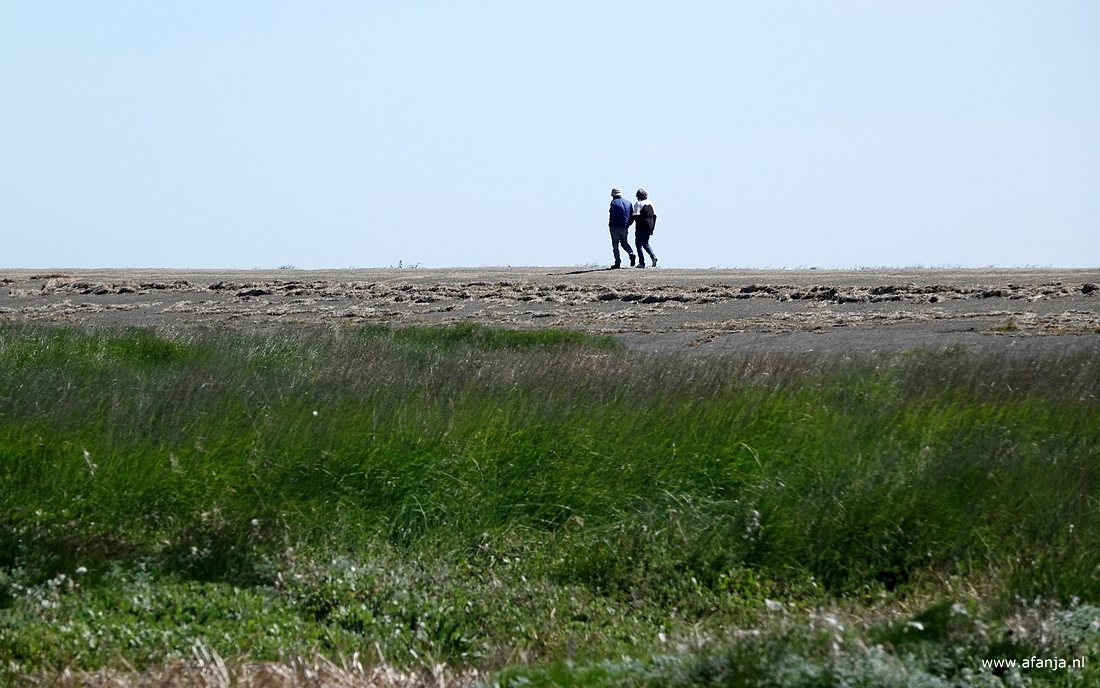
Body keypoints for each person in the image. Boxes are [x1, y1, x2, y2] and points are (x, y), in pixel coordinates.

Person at [607, 188, 636, 268]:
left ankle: (617, 262)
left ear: (613, 195)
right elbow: (631, 216)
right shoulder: (628, 203)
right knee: (624, 243)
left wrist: (610, 224)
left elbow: (612, 215)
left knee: (615, 245)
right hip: (625, 227)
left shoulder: (613, 203)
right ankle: (631, 253)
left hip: (615, 226)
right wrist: (628, 224)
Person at [630, 188, 657, 268]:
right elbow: (655, 216)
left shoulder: (638, 203)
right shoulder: (651, 203)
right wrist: (652, 228)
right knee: (645, 243)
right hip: (650, 225)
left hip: (641, 226)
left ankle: (641, 262)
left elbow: (636, 215)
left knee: (638, 244)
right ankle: (653, 256)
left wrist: (630, 220)